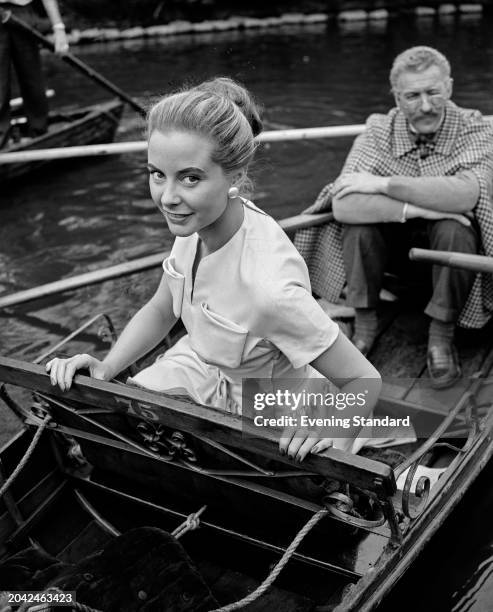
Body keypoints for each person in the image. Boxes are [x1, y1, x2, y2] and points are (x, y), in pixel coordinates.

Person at [46, 77, 381, 461]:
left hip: (265, 411)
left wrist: (330, 431)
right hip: (202, 371)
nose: (168, 198)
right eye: (157, 174)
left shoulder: (269, 289)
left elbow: (365, 381)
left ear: (235, 176)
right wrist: (106, 368)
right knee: (124, 418)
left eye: (190, 177)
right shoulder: (195, 220)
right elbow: (161, 307)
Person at [295, 46, 493, 389]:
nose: (426, 105)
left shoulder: (475, 129)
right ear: (397, 98)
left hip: (453, 267)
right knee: (358, 227)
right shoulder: (378, 132)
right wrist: (422, 206)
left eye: (433, 92)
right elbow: (344, 206)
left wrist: (383, 184)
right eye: (413, 96)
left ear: (449, 87)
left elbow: (467, 194)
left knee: (454, 228)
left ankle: (441, 337)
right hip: (394, 267)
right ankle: (366, 323)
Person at [0, 0, 69, 148]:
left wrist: (58, 28)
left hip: (22, 12)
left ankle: (39, 132)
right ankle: (1, 142)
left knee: (32, 79)